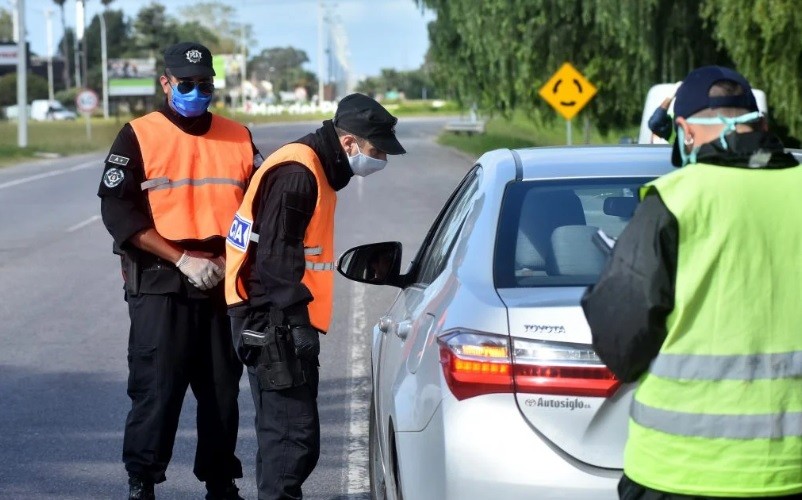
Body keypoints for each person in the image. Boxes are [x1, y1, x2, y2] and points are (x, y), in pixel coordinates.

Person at [581, 65, 802, 499]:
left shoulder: (675, 199)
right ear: (759, 124)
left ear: (684, 130)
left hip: (679, 472)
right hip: (791, 471)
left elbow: (620, 343)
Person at [97, 41, 262, 500]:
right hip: (161, 280)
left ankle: (220, 481)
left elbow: (259, 207)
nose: (196, 92)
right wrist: (182, 259)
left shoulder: (238, 136)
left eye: (204, 84)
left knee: (221, 391)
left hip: (221, 280)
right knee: (157, 388)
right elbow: (118, 211)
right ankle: (142, 481)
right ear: (165, 83)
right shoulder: (138, 134)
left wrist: (228, 261)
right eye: (186, 84)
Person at [224, 93, 405, 499]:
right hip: (271, 318)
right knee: (291, 439)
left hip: (274, 314)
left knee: (286, 436)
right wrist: (296, 321)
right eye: (377, 151)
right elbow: (275, 256)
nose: (382, 160)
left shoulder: (315, 167)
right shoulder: (298, 173)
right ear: (349, 143)